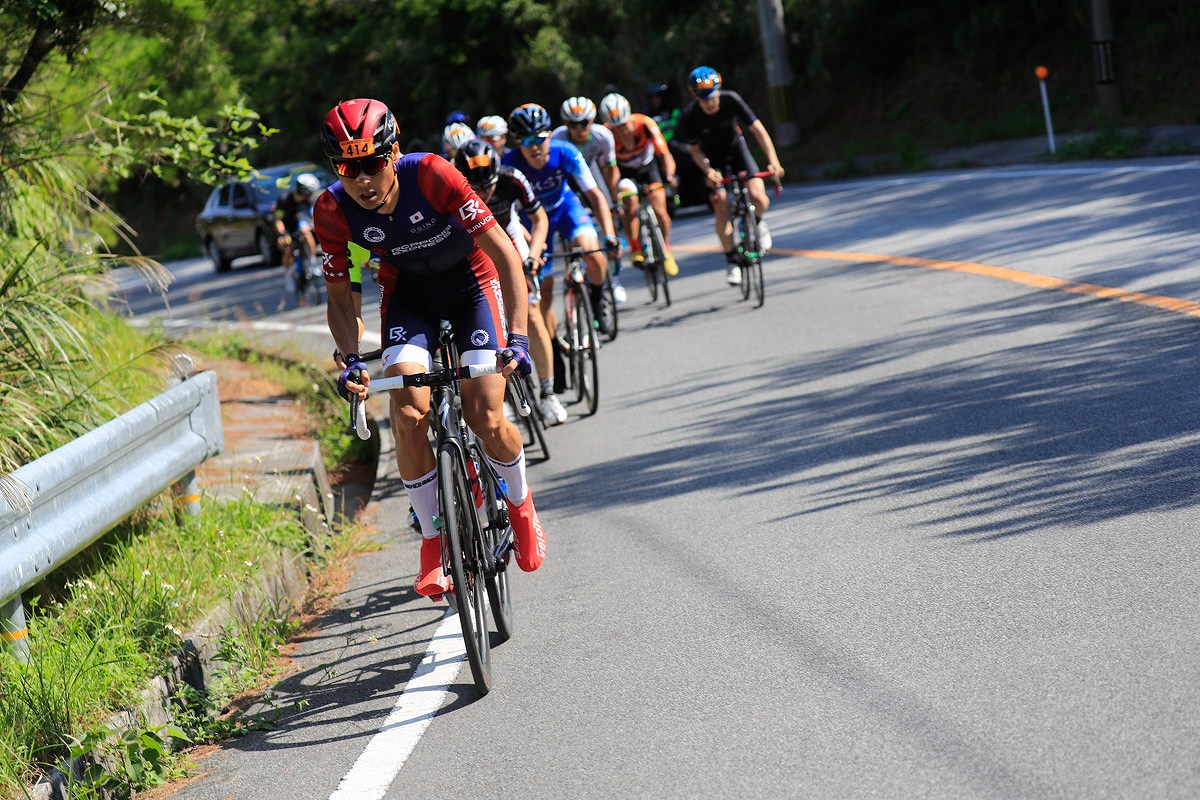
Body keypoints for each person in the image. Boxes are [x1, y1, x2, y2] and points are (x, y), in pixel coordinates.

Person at [314, 97, 548, 599]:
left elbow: (506, 256)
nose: (362, 179)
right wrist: (352, 359)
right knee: (408, 411)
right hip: (409, 298)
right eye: (347, 168)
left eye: (372, 162)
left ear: (393, 152)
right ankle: (433, 538)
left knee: (485, 414)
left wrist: (521, 338)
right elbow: (341, 297)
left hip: (471, 286)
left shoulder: (433, 175)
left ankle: (521, 504)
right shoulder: (333, 210)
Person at [454, 138, 568, 425]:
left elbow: (539, 219)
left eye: (488, 186)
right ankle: (497, 399)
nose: (483, 194)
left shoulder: (512, 178)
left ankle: (547, 393)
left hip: (508, 236)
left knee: (530, 313)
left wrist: (535, 254)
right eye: (475, 189)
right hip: (471, 246)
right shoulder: (450, 188)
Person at [502, 102, 618, 336]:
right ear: (517, 143)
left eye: (540, 139)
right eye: (526, 141)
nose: (534, 147)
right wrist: (531, 244)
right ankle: (554, 347)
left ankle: (599, 296)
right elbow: (508, 215)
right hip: (532, 220)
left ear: (549, 135)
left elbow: (595, 195)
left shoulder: (566, 152)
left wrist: (610, 234)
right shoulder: (509, 165)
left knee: (591, 250)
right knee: (543, 289)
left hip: (564, 207)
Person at [675, 66, 784, 286]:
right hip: (712, 162)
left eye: (712, 96)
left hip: (737, 153)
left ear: (719, 89)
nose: (709, 103)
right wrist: (708, 172)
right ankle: (732, 259)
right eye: (704, 99)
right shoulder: (690, 116)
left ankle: (758, 221)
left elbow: (758, 130)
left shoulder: (731, 100)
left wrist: (773, 161)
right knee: (722, 206)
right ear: (695, 95)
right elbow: (695, 151)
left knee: (759, 197)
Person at [551, 96, 626, 302]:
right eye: (572, 124)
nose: (578, 129)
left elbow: (610, 170)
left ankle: (615, 278)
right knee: (570, 230)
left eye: (583, 123)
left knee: (609, 227)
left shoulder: (603, 136)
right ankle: (575, 270)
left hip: (592, 178)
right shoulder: (558, 138)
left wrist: (614, 201)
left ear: (592, 120)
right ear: (566, 124)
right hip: (568, 182)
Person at [598, 92, 679, 277]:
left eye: (624, 125)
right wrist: (614, 196)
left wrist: (669, 175)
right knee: (630, 203)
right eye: (616, 127)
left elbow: (665, 154)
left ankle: (666, 248)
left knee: (659, 208)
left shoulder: (645, 123)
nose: (622, 130)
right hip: (625, 172)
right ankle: (635, 247)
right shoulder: (606, 134)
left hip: (648, 168)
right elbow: (609, 170)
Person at [274, 172, 322, 289]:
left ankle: (312, 262)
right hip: (287, 229)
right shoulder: (284, 199)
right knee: (287, 248)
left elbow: (313, 216)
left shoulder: (310, 200)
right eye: (309, 193)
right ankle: (288, 274)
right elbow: (277, 220)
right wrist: (283, 234)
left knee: (306, 232)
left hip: (302, 226)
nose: (311, 195)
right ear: (304, 192)